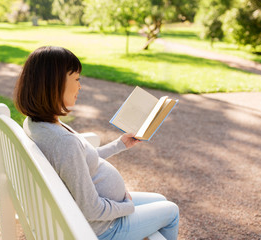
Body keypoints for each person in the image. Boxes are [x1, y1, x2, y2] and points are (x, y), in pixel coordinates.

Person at [14, 46, 179, 240]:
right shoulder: (63, 142)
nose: (80, 86)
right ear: (54, 84)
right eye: (76, 79)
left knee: (160, 200)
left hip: (99, 214)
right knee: (171, 211)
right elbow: (91, 210)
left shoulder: (39, 123)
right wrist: (126, 206)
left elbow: (78, 161)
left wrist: (120, 144)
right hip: (102, 229)